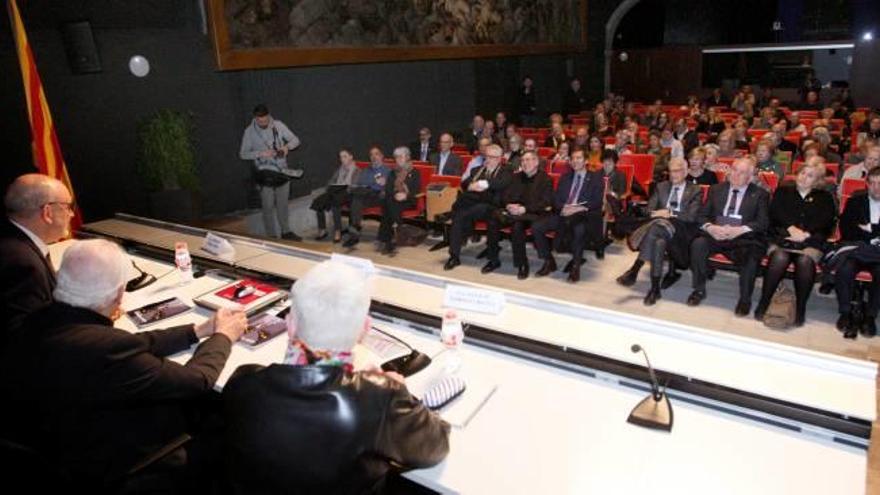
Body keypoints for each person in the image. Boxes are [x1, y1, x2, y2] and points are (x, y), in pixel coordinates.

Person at [0, 239, 247, 487]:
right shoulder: (107, 350)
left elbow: (131, 342)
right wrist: (223, 336)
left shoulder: (39, 321)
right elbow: (197, 381)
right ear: (119, 294)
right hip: (128, 464)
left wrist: (197, 331)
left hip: (62, 445)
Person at [222, 260, 449, 494]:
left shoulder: (243, 380)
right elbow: (436, 446)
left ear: (290, 324)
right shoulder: (380, 398)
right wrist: (399, 391)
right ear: (364, 329)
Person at [754, 161, 835, 327]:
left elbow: (827, 222)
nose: (804, 178)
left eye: (810, 175)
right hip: (782, 237)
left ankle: (800, 308)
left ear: (817, 180)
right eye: (802, 173)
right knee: (779, 257)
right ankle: (764, 302)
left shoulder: (825, 197)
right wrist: (791, 229)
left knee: (805, 262)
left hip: (811, 241)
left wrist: (806, 234)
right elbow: (775, 213)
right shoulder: (783, 191)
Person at [687, 157, 770, 316]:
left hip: (743, 238)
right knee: (698, 244)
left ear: (751, 176)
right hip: (716, 234)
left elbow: (763, 223)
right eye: (734, 170)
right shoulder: (716, 189)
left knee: (751, 255)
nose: (736, 174)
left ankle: (745, 299)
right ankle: (699, 289)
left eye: (742, 172)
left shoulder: (760, 194)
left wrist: (739, 230)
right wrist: (711, 228)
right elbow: (702, 216)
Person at [617, 158, 702, 305]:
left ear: (687, 171)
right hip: (659, 226)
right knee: (659, 242)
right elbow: (649, 209)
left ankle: (635, 269)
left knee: (656, 228)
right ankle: (655, 289)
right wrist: (656, 214)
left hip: (680, 230)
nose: (673, 175)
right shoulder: (661, 187)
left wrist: (670, 213)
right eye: (670, 171)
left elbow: (692, 217)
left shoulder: (695, 190)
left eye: (677, 171)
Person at [1, 174, 74, 337]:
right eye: (68, 207)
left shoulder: (12, 237)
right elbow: (29, 336)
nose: (72, 215)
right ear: (47, 212)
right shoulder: (23, 264)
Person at [532, 148, 605, 283]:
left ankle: (576, 266)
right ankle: (549, 261)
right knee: (537, 227)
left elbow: (596, 201)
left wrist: (577, 209)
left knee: (579, 230)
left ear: (586, 161)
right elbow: (556, 198)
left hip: (584, 215)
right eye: (573, 159)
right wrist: (563, 207)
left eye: (579, 158)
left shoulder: (595, 178)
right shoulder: (565, 177)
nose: (575, 161)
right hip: (563, 213)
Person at [483, 150, 554, 279]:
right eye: (523, 160)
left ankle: (522, 264)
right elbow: (505, 196)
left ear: (536, 162)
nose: (525, 163)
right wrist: (509, 205)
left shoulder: (545, 179)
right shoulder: (516, 177)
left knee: (517, 226)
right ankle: (493, 260)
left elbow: (546, 202)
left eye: (528, 160)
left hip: (532, 214)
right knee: (493, 220)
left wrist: (524, 209)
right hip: (513, 212)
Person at [239, 104, 303, 241]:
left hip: (282, 170)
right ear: (255, 118)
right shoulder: (249, 132)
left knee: (283, 204)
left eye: (265, 120)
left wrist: (286, 147)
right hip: (264, 173)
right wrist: (261, 153)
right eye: (259, 121)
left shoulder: (278, 125)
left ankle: (286, 232)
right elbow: (243, 154)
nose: (263, 123)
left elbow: (296, 140)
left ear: (269, 116)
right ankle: (271, 236)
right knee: (267, 206)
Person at [444, 144, 512, 271]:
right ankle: (454, 256)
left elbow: (501, 183)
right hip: (475, 206)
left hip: (494, 207)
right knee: (459, 216)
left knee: (465, 211)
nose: (487, 160)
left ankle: (493, 260)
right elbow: (464, 183)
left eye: (491, 157)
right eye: (486, 156)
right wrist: (470, 186)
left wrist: (482, 184)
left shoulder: (506, 170)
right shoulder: (478, 170)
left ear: (499, 158)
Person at [834, 167, 880, 338]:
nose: (876, 188)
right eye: (873, 183)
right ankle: (845, 312)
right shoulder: (856, 202)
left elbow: (857, 229)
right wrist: (874, 234)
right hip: (857, 250)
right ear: (867, 184)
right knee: (844, 269)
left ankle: (870, 316)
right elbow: (846, 230)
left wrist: (869, 228)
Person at [343, 146, 390, 248]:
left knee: (355, 198)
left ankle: (354, 229)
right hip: (364, 194)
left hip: (378, 196)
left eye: (376, 154)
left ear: (382, 156)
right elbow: (360, 182)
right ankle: (355, 232)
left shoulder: (387, 170)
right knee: (356, 199)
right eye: (371, 154)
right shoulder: (365, 170)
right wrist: (374, 181)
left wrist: (385, 184)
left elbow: (390, 186)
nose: (374, 157)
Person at [377, 147, 421, 255]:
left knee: (387, 204)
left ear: (408, 157)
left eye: (401, 156)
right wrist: (396, 195)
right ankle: (395, 234)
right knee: (390, 202)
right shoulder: (393, 172)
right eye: (396, 157)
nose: (399, 159)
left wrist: (405, 195)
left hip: (408, 201)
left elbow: (415, 190)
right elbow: (388, 188)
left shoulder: (415, 172)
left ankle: (386, 237)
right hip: (394, 200)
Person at [311, 149, 360, 243]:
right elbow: (331, 181)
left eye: (345, 156)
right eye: (341, 157)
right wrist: (329, 187)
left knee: (335, 203)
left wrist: (343, 188)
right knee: (318, 202)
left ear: (351, 157)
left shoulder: (357, 170)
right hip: (335, 191)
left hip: (348, 193)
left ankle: (338, 230)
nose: (342, 159)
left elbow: (354, 186)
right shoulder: (339, 169)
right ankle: (322, 229)